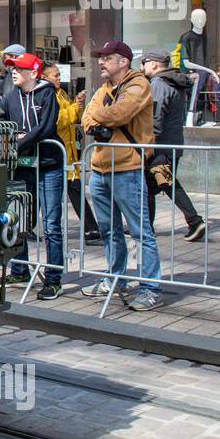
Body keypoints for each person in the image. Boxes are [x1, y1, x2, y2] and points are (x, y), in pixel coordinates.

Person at [81, 40, 161, 311]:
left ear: (123, 61)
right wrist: (96, 119)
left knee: (141, 232)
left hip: (127, 169)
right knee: (109, 231)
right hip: (100, 171)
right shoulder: (104, 88)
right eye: (100, 57)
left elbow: (119, 114)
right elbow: (85, 118)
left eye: (106, 58)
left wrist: (98, 118)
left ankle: (150, 288)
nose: (101, 62)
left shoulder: (139, 85)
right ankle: (116, 279)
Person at [1, 52, 65, 299]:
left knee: (51, 225)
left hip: (49, 165)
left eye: (18, 69)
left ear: (34, 73)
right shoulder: (9, 97)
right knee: (20, 221)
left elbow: (46, 128)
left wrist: (20, 141)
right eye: (12, 69)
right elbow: (5, 126)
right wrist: (14, 141)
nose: (14, 72)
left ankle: (53, 278)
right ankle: (20, 269)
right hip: (23, 168)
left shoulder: (47, 93)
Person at [141, 51, 206, 241]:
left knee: (166, 185)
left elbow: (155, 118)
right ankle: (147, 226)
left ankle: (195, 221)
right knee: (152, 186)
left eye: (144, 63)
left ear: (153, 64)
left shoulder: (159, 84)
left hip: (159, 147)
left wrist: (148, 145)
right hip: (173, 144)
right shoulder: (175, 82)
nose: (142, 67)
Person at [42, 62, 100, 244]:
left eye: (59, 75)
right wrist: (75, 107)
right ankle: (91, 229)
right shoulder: (47, 94)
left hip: (68, 151)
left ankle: (91, 229)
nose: (59, 78)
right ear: (44, 77)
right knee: (55, 194)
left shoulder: (60, 92)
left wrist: (78, 104)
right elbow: (57, 120)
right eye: (55, 75)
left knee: (73, 190)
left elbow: (71, 116)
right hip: (58, 152)